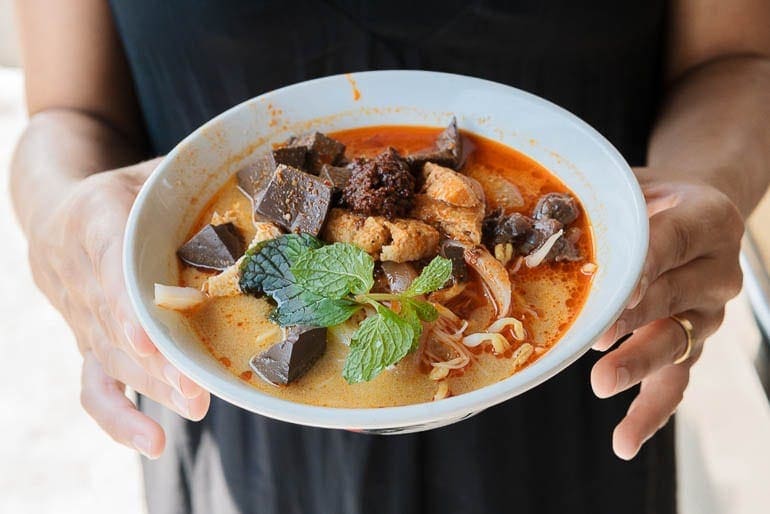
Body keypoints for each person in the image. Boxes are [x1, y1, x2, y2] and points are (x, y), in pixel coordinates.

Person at [10, 1, 770, 513]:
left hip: (571, 382)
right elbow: (66, 113)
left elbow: (735, 58)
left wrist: (706, 185)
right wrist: (58, 220)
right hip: (227, 402)